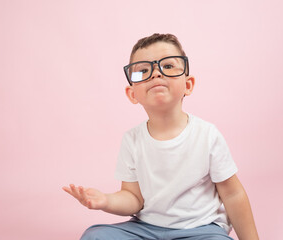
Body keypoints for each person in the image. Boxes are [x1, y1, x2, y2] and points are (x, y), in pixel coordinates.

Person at [63, 33, 259, 240]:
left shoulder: (207, 135)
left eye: (167, 66)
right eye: (143, 70)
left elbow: (232, 194)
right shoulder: (132, 139)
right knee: (95, 235)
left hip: (200, 229)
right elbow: (133, 198)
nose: (156, 73)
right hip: (145, 228)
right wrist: (105, 201)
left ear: (188, 84)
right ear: (132, 94)